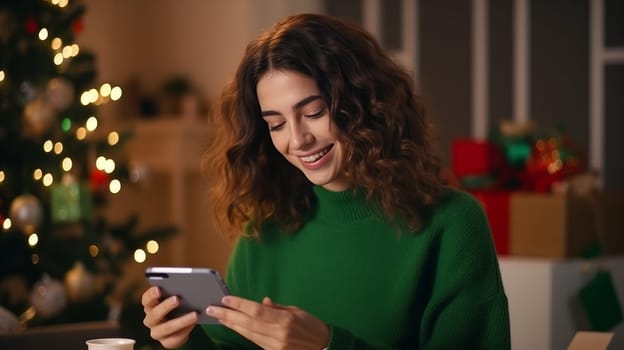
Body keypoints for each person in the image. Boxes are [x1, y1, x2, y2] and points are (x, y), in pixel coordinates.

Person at [142, 13, 510, 349]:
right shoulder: (263, 234)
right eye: (277, 124)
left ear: (364, 103)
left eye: (314, 112)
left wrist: (325, 346)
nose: (298, 139)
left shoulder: (452, 225)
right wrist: (183, 343)